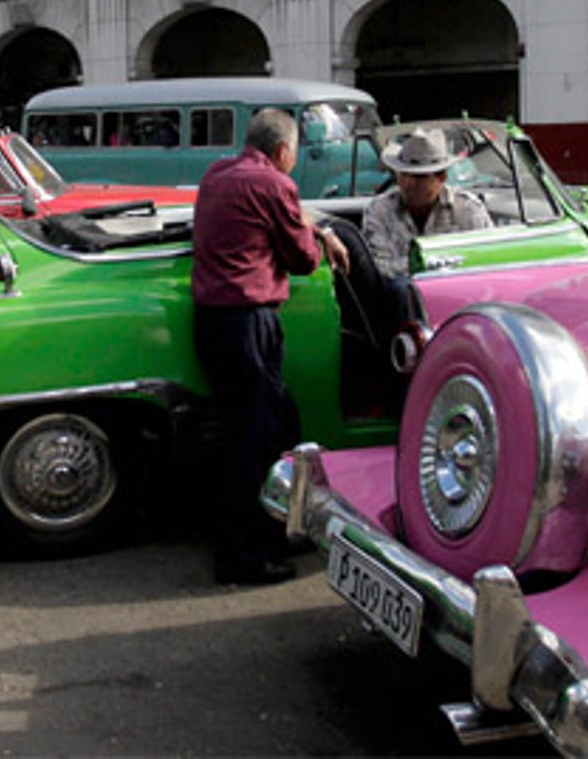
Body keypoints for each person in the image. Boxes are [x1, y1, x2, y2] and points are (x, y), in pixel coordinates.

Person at [191, 109, 350, 586]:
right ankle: (241, 557)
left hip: (213, 322)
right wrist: (322, 238)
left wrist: (317, 228)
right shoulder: (275, 185)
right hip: (249, 323)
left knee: (277, 424)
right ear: (283, 152)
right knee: (252, 441)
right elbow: (302, 260)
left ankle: (277, 530)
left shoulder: (217, 174)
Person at [362, 127, 493, 280]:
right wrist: (433, 264)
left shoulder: (467, 208)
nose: (409, 184)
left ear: (441, 178)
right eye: (404, 174)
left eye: (420, 177)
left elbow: (486, 258)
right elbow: (379, 268)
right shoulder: (379, 210)